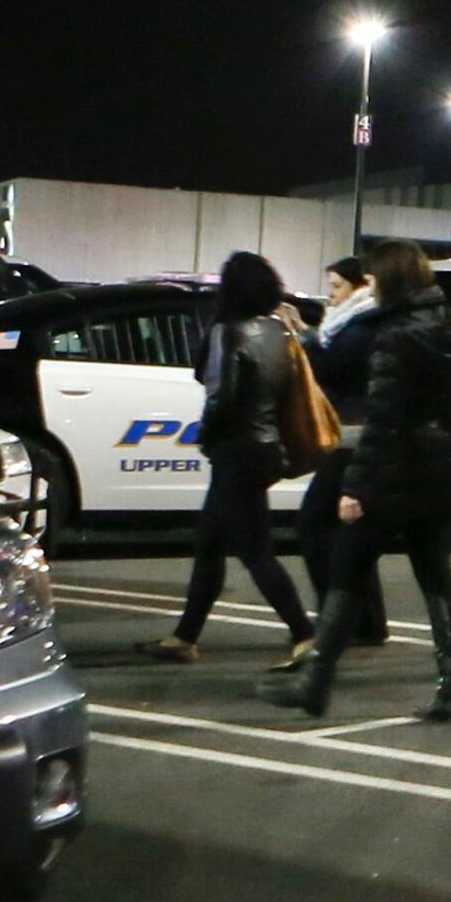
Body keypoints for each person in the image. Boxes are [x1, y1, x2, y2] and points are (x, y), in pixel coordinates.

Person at [282, 240, 451, 723]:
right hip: (441, 464)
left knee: (348, 568)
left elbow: (383, 418)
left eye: (371, 280)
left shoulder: (394, 336)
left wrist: (354, 487)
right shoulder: (447, 325)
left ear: (389, 279)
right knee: (436, 579)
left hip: (396, 471)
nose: (368, 288)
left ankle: (315, 681)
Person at [141, 254, 319, 670]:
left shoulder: (228, 332)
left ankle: (304, 633)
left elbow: (221, 396)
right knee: (210, 543)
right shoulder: (277, 331)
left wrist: (206, 437)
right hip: (266, 445)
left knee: (254, 549)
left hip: (236, 448)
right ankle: (185, 636)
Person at [297, 254, 387, 647]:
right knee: (350, 531)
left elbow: (334, 368)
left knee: (316, 523)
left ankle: (341, 621)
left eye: (337, 286)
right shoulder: (350, 321)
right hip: (352, 433)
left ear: (360, 287)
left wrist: (305, 338)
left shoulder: (363, 324)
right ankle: (364, 622)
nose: (331, 295)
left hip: (355, 436)